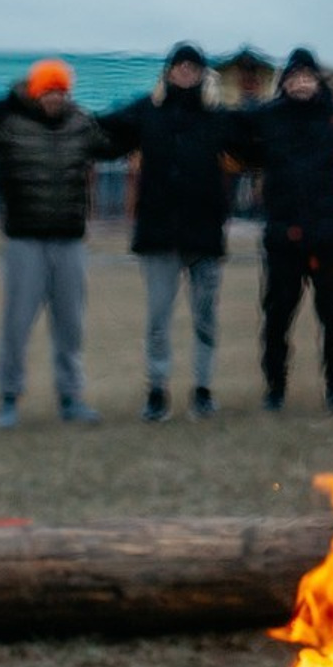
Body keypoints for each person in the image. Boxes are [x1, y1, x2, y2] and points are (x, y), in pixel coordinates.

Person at [98, 42, 242, 423]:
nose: (186, 74)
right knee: (158, 319)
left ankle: (203, 388)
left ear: (202, 74)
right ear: (168, 71)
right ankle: (157, 390)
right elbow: (107, 128)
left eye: (193, 68)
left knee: (205, 318)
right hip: (159, 234)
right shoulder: (148, 112)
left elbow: (252, 138)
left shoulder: (215, 117)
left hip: (205, 234)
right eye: (179, 67)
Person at [0, 58, 117, 428]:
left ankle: (71, 396)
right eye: (47, 91)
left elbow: (113, 142)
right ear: (34, 92)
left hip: (69, 239)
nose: (54, 98)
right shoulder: (8, 126)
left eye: (60, 90)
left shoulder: (81, 124)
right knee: (17, 322)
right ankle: (9, 398)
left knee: (70, 323)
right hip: (24, 239)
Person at [240, 47, 333, 414]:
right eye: (294, 77)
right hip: (283, 237)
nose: (301, 83)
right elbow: (236, 137)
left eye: (307, 77)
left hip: (329, 236)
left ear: (318, 80)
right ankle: (275, 387)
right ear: (284, 82)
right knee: (277, 317)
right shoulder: (268, 120)